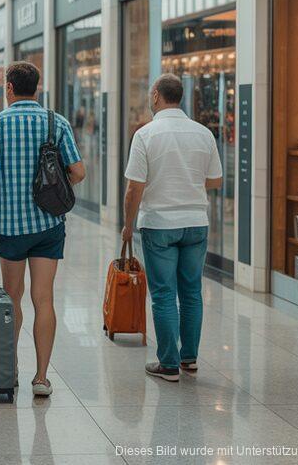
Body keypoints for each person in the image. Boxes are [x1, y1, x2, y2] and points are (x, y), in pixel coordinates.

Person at [0, 62, 84, 397]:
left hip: (11, 226)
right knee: (44, 299)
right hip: (49, 224)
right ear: (37, 87)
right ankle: (42, 378)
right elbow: (78, 172)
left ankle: (9, 369)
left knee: (12, 297)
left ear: (9, 87)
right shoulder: (56, 122)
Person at [121, 74, 224, 382]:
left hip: (159, 224)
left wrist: (128, 226)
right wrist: (188, 183)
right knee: (192, 292)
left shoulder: (145, 135)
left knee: (164, 294)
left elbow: (134, 188)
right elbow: (216, 180)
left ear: (156, 96)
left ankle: (168, 363)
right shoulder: (203, 133)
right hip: (195, 223)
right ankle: (189, 358)